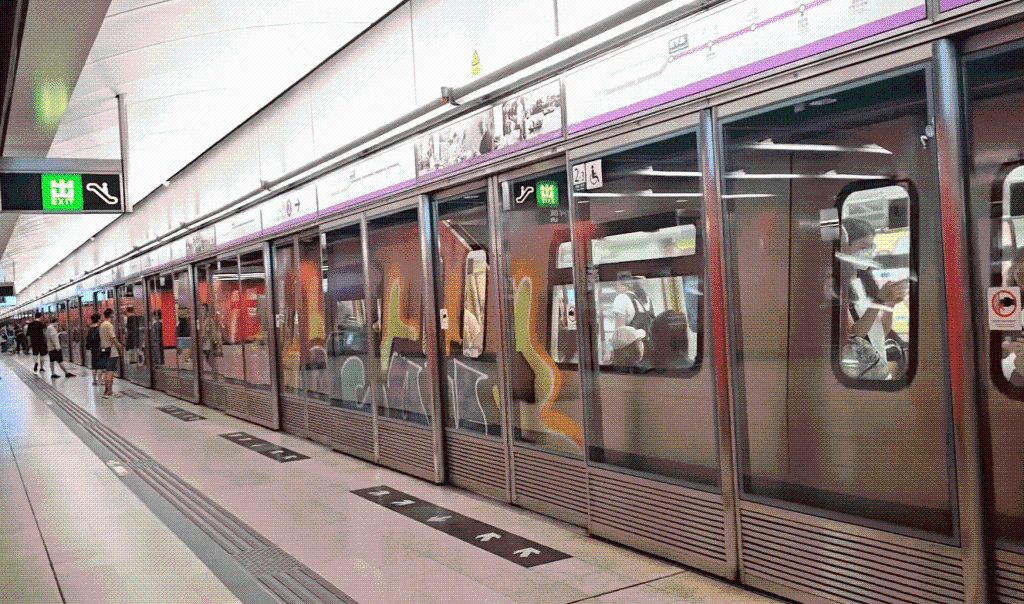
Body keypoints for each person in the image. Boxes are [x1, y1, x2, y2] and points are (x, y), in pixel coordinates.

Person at [840, 218, 909, 380]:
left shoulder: (865, 282)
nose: (869, 252)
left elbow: (881, 331)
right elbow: (854, 334)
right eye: (863, 247)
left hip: (878, 367)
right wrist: (879, 301)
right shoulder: (839, 288)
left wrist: (890, 305)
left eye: (871, 247)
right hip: (861, 373)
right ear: (844, 248)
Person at [610, 277, 655, 368]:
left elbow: (620, 335)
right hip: (649, 354)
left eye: (616, 285)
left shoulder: (622, 298)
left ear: (624, 284)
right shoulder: (648, 300)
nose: (615, 288)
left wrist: (611, 352)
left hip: (631, 355)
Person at [99, 308, 123, 399]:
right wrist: (118, 345)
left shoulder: (102, 324)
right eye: (114, 314)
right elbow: (112, 338)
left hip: (104, 349)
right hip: (111, 350)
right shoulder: (109, 325)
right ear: (111, 315)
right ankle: (109, 392)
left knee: (107, 371)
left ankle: (106, 391)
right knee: (111, 372)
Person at [86, 313, 103, 385]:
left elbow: (88, 339)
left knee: (94, 365)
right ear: (98, 319)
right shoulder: (99, 328)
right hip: (99, 348)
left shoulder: (90, 329)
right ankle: (100, 380)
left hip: (93, 349)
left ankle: (94, 380)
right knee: (100, 365)